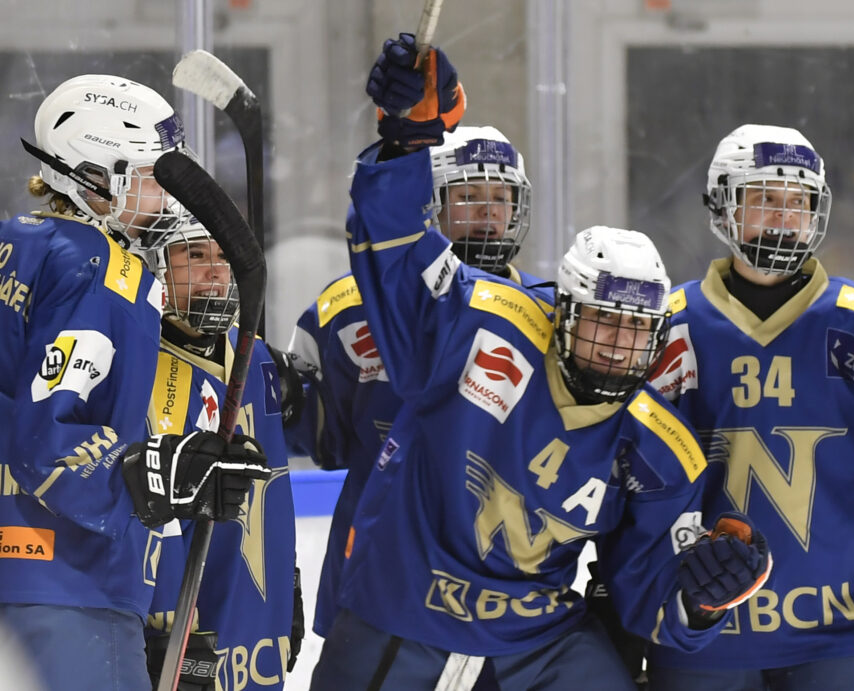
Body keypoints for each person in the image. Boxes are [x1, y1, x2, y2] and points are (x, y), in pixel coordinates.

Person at [308, 37, 773, 690]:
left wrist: (701, 595)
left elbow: (650, 598)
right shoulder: (481, 323)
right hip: (403, 613)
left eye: (635, 329)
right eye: (602, 322)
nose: (616, 344)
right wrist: (407, 141)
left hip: (537, 639)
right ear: (565, 313)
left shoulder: (660, 449)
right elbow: (394, 244)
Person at [644, 124, 854, 690]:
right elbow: (631, 484)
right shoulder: (666, 329)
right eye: (764, 199)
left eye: (798, 202)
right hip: (705, 628)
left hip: (845, 628)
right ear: (723, 205)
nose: (783, 216)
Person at [276, 31, 550, 654]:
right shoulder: (350, 307)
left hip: (496, 584)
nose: (486, 212)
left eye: (499, 198)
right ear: (431, 205)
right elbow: (316, 436)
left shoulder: (547, 316)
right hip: (377, 573)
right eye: (467, 196)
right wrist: (284, 394)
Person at [0, 74, 270, 691]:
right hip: (67, 584)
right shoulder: (105, 268)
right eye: (151, 179)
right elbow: (52, 446)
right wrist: (153, 474)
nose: (170, 202)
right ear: (97, 179)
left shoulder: (16, 243)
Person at [140, 223, 300, 691]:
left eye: (223, 256)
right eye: (193, 256)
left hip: (254, 611)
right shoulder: (138, 356)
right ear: (155, 265)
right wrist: (158, 615)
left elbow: (275, 486)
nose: (215, 272)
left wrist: (287, 580)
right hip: (179, 618)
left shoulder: (257, 357)